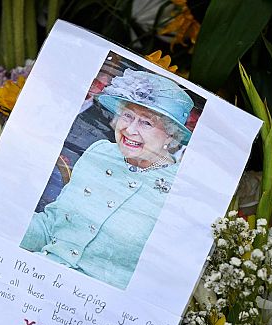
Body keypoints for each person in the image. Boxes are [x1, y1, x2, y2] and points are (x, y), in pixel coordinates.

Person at [21, 69, 195, 289]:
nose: (130, 129)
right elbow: (51, 226)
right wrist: (5, 219)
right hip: (35, 278)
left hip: (96, 310)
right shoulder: (100, 151)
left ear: (171, 136)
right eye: (128, 116)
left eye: (146, 123)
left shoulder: (179, 192)